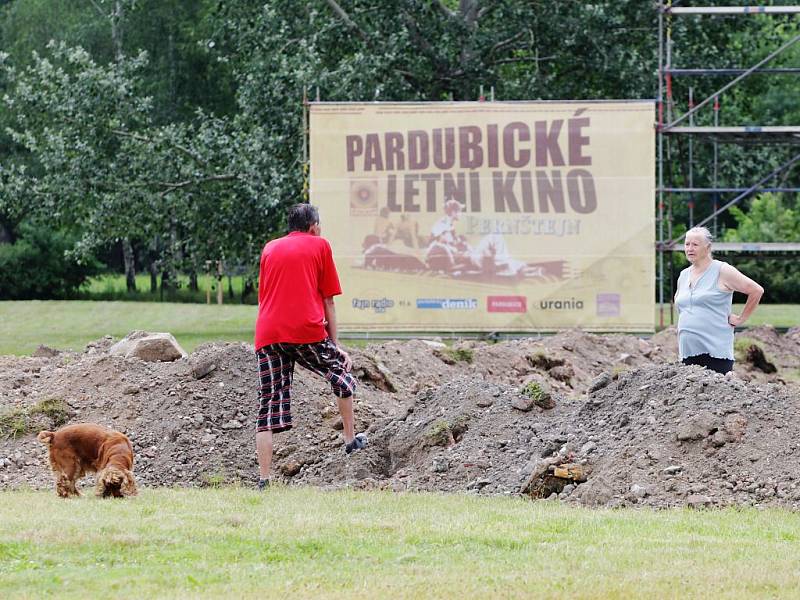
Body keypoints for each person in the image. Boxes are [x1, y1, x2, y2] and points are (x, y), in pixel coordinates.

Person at [254, 203, 367, 490]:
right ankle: (350, 440)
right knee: (340, 373)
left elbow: (265, 295)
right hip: (305, 329)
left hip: (268, 333)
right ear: (314, 226)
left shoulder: (269, 248)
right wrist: (335, 344)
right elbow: (329, 300)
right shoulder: (320, 245)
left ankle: (264, 480)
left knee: (268, 404)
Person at [675, 226, 764, 374]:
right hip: (686, 353)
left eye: (695, 244)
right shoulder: (683, 275)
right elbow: (681, 305)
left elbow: (756, 290)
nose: (690, 248)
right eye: (687, 244)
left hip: (714, 353)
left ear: (708, 247)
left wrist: (741, 319)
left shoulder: (722, 270)